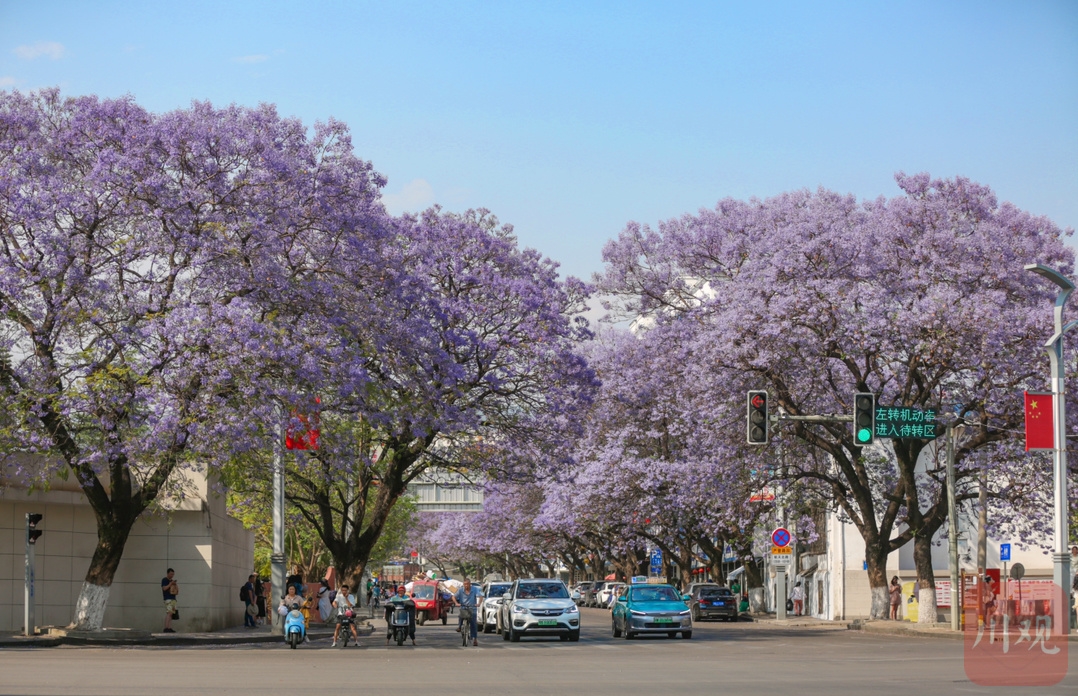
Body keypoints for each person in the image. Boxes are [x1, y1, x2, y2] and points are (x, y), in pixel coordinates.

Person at [454, 578, 484, 646]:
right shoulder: (460, 590)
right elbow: (453, 597)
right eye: (465, 584)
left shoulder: (474, 589)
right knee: (460, 616)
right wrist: (456, 603)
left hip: (472, 608)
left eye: (467, 584)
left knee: (473, 623)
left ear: (470, 584)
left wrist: (479, 603)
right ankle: (459, 627)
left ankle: (475, 639)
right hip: (463, 607)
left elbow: (480, 596)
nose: (466, 586)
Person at [161, 568, 179, 633]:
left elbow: (177, 591)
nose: (172, 575)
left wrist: (175, 584)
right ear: (168, 573)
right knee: (169, 613)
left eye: (173, 574)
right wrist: (170, 584)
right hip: (168, 598)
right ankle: (166, 628)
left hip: (173, 598)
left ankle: (169, 627)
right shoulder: (164, 580)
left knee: (171, 614)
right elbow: (164, 588)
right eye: (171, 574)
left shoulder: (172, 581)